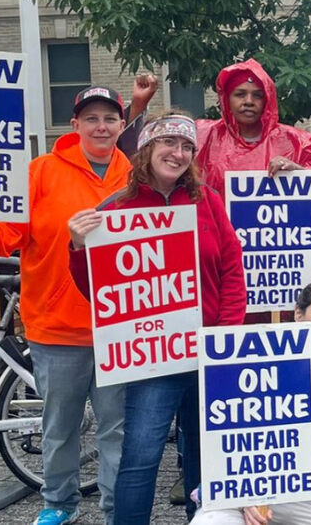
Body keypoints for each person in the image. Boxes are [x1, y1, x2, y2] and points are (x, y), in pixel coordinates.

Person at [67, 113, 246, 524]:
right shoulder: (117, 209)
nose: (178, 153)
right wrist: (78, 247)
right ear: (146, 150)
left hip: (209, 352)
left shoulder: (207, 201)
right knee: (142, 456)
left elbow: (233, 271)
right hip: (155, 361)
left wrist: (224, 337)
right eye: (168, 143)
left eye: (186, 147)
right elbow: (99, 290)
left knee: (209, 455)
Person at [0, 84, 149, 525]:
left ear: (122, 124)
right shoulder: (38, 171)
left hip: (121, 330)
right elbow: (4, 237)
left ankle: (119, 510)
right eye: (91, 118)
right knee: (60, 428)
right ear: (74, 124)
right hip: (57, 328)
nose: (101, 126)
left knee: (118, 430)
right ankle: (59, 503)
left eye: (110, 118)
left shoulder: (137, 175)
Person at [192, 280, 311, 525]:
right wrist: (246, 495)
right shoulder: (251, 351)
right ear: (299, 315)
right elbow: (226, 439)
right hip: (243, 492)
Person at [195, 58, 311, 285]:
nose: (249, 101)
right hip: (223, 266)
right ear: (226, 99)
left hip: (286, 273)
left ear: (267, 99)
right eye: (240, 94)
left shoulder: (298, 143)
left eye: (257, 95)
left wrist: (301, 177)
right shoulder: (203, 138)